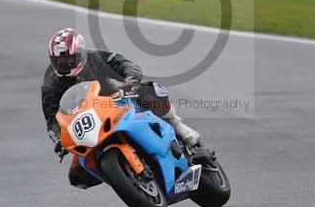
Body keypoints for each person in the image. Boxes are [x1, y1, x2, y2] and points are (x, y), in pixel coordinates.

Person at [41, 28, 200, 188]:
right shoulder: (50, 84)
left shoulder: (95, 57)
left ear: (81, 53)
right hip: (88, 121)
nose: (64, 64)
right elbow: (52, 120)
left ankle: (179, 127)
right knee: (78, 176)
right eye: (59, 61)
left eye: (69, 59)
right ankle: (125, 177)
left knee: (149, 91)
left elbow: (127, 66)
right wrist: (59, 139)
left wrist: (130, 81)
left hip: (116, 101)